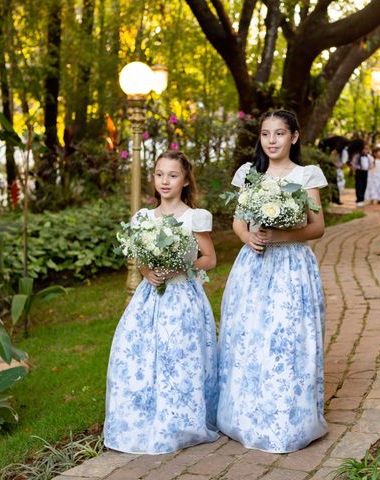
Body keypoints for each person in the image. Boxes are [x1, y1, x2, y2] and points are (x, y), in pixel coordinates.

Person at [217, 109, 329, 453]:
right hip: (253, 266)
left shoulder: (306, 175)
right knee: (249, 334)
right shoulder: (250, 174)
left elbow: (317, 227)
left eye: (279, 134)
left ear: (294, 137)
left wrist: (278, 236)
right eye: (266, 134)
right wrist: (247, 238)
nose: (272, 141)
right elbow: (238, 220)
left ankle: (288, 413)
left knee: (286, 337)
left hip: (291, 267)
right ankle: (246, 412)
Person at [104, 150, 219, 454]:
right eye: (159, 174)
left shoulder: (194, 217)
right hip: (149, 299)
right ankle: (142, 418)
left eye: (173, 175)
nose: (164, 181)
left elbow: (210, 259)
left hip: (182, 297)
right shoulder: (143, 218)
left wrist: (181, 268)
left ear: (184, 181)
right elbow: (139, 257)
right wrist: (146, 271)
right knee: (140, 357)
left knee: (178, 359)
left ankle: (179, 421)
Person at [349, 139, 368, 207]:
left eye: (367, 149)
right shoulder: (357, 155)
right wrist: (354, 168)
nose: (366, 150)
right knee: (359, 185)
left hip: (365, 172)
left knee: (364, 186)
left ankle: (362, 198)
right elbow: (353, 163)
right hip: (359, 171)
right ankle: (359, 200)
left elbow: (371, 164)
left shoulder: (368, 156)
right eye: (364, 149)